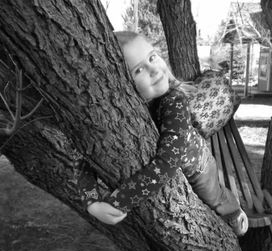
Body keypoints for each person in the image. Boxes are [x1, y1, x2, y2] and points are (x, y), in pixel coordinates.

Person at [78, 31, 248, 235]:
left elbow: (167, 163)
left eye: (152, 57)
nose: (153, 69)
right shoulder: (124, 112)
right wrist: (91, 203)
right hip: (180, 158)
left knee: (215, 199)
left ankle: (235, 212)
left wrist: (119, 202)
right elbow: (85, 156)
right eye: (138, 69)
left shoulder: (173, 101)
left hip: (197, 166)